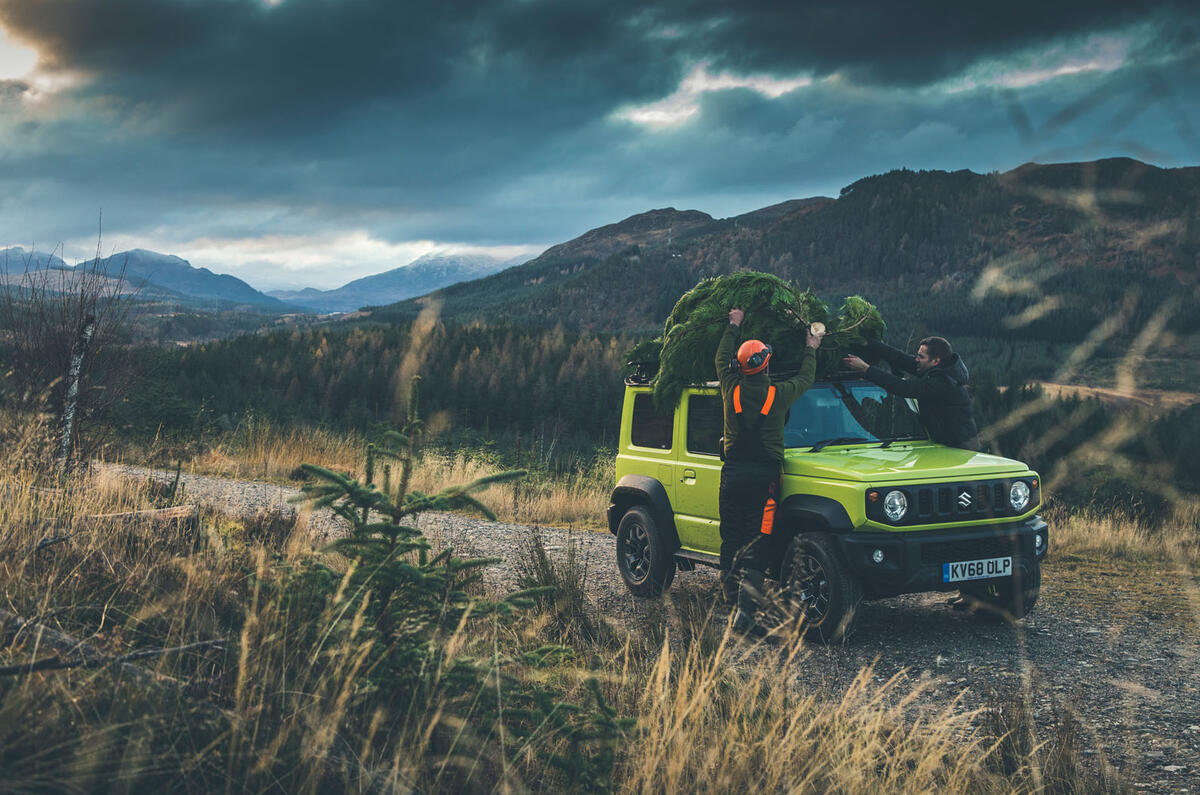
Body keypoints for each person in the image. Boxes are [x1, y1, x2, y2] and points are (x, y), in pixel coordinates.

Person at [716, 307, 823, 635]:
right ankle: (745, 616)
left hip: (731, 476)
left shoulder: (729, 386)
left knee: (730, 540)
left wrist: (734, 325)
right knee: (756, 543)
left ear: (739, 366)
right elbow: (806, 378)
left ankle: (730, 603)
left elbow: (721, 357)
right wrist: (811, 348)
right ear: (766, 365)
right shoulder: (779, 394)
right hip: (764, 481)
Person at [842, 336, 980, 451]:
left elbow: (904, 388)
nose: (916, 359)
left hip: (960, 448)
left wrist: (866, 370)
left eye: (921, 357)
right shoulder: (936, 369)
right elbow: (900, 358)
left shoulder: (943, 383)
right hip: (945, 444)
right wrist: (868, 342)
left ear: (935, 361)